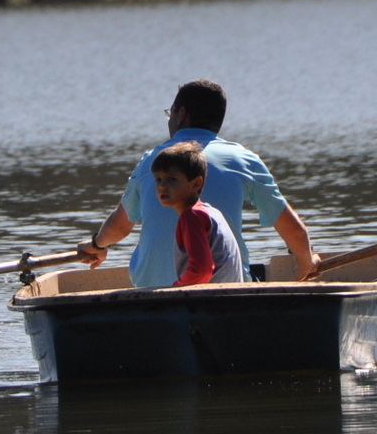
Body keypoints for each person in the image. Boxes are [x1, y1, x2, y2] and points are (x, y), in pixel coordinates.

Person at [77, 79, 320, 286]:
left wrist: (97, 244)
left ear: (181, 115)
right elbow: (295, 233)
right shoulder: (243, 159)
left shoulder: (154, 160)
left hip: (152, 292)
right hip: (224, 292)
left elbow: (119, 227)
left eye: (170, 113)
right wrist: (306, 263)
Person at [148, 142, 246, 286]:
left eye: (172, 179)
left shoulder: (192, 216)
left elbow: (202, 271)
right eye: (158, 179)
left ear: (196, 184)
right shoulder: (211, 212)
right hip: (230, 298)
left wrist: (174, 290)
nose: (162, 186)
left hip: (210, 302)